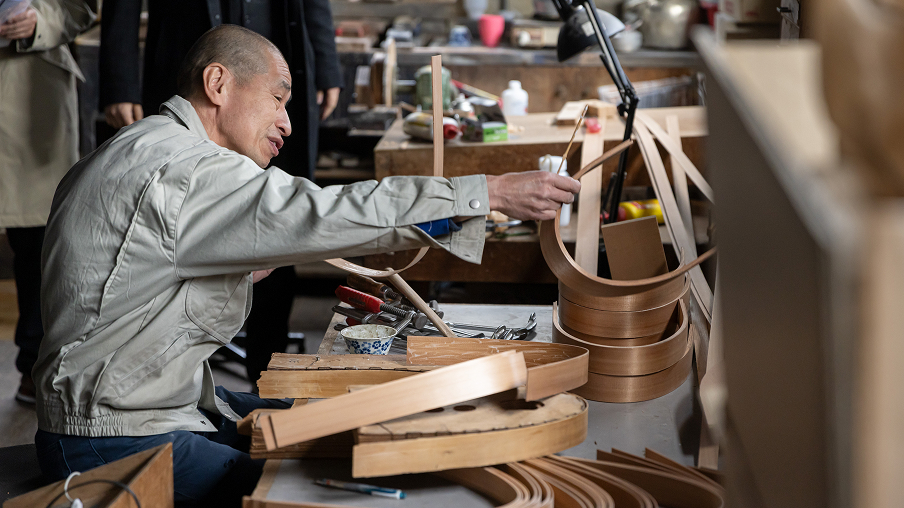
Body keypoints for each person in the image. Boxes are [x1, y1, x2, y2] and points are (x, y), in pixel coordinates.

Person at [34, 25, 580, 507]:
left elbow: (131, 276)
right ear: (218, 84)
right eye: (278, 98)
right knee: (314, 486)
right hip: (113, 436)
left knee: (310, 416)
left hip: (127, 407)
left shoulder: (139, 146)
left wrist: (233, 268)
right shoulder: (189, 170)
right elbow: (328, 211)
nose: (288, 124)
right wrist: (486, 193)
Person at [99, 0, 343, 385]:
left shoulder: (281, 107)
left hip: (278, 58)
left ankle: (267, 375)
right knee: (180, 220)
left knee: (280, 222)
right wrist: (119, 79)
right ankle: (175, 373)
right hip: (187, 61)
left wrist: (325, 64)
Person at [0, 0, 94, 404]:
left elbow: (82, 6)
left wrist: (41, 21)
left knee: (39, 243)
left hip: (29, 89)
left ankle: (36, 365)